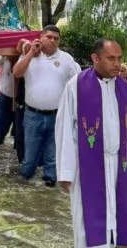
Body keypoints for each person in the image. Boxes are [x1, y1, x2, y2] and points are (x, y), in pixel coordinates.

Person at [55, 39, 127, 248]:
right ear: (95, 58)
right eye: (111, 58)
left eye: (119, 58)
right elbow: (64, 132)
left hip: (119, 163)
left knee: (118, 213)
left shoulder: (125, 88)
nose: (117, 64)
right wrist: (65, 172)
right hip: (87, 165)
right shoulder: (76, 86)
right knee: (87, 219)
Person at [14, 25, 81, 186]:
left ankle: (50, 182)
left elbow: (78, 83)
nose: (52, 41)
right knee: (30, 154)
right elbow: (17, 73)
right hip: (32, 115)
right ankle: (25, 180)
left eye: (56, 38)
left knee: (53, 155)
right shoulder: (29, 54)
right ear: (41, 37)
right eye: (49, 37)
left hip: (57, 115)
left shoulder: (66, 59)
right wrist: (30, 52)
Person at [0, 55, 17, 146]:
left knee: (19, 130)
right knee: (1, 128)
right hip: (4, 98)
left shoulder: (24, 59)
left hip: (20, 99)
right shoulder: (2, 59)